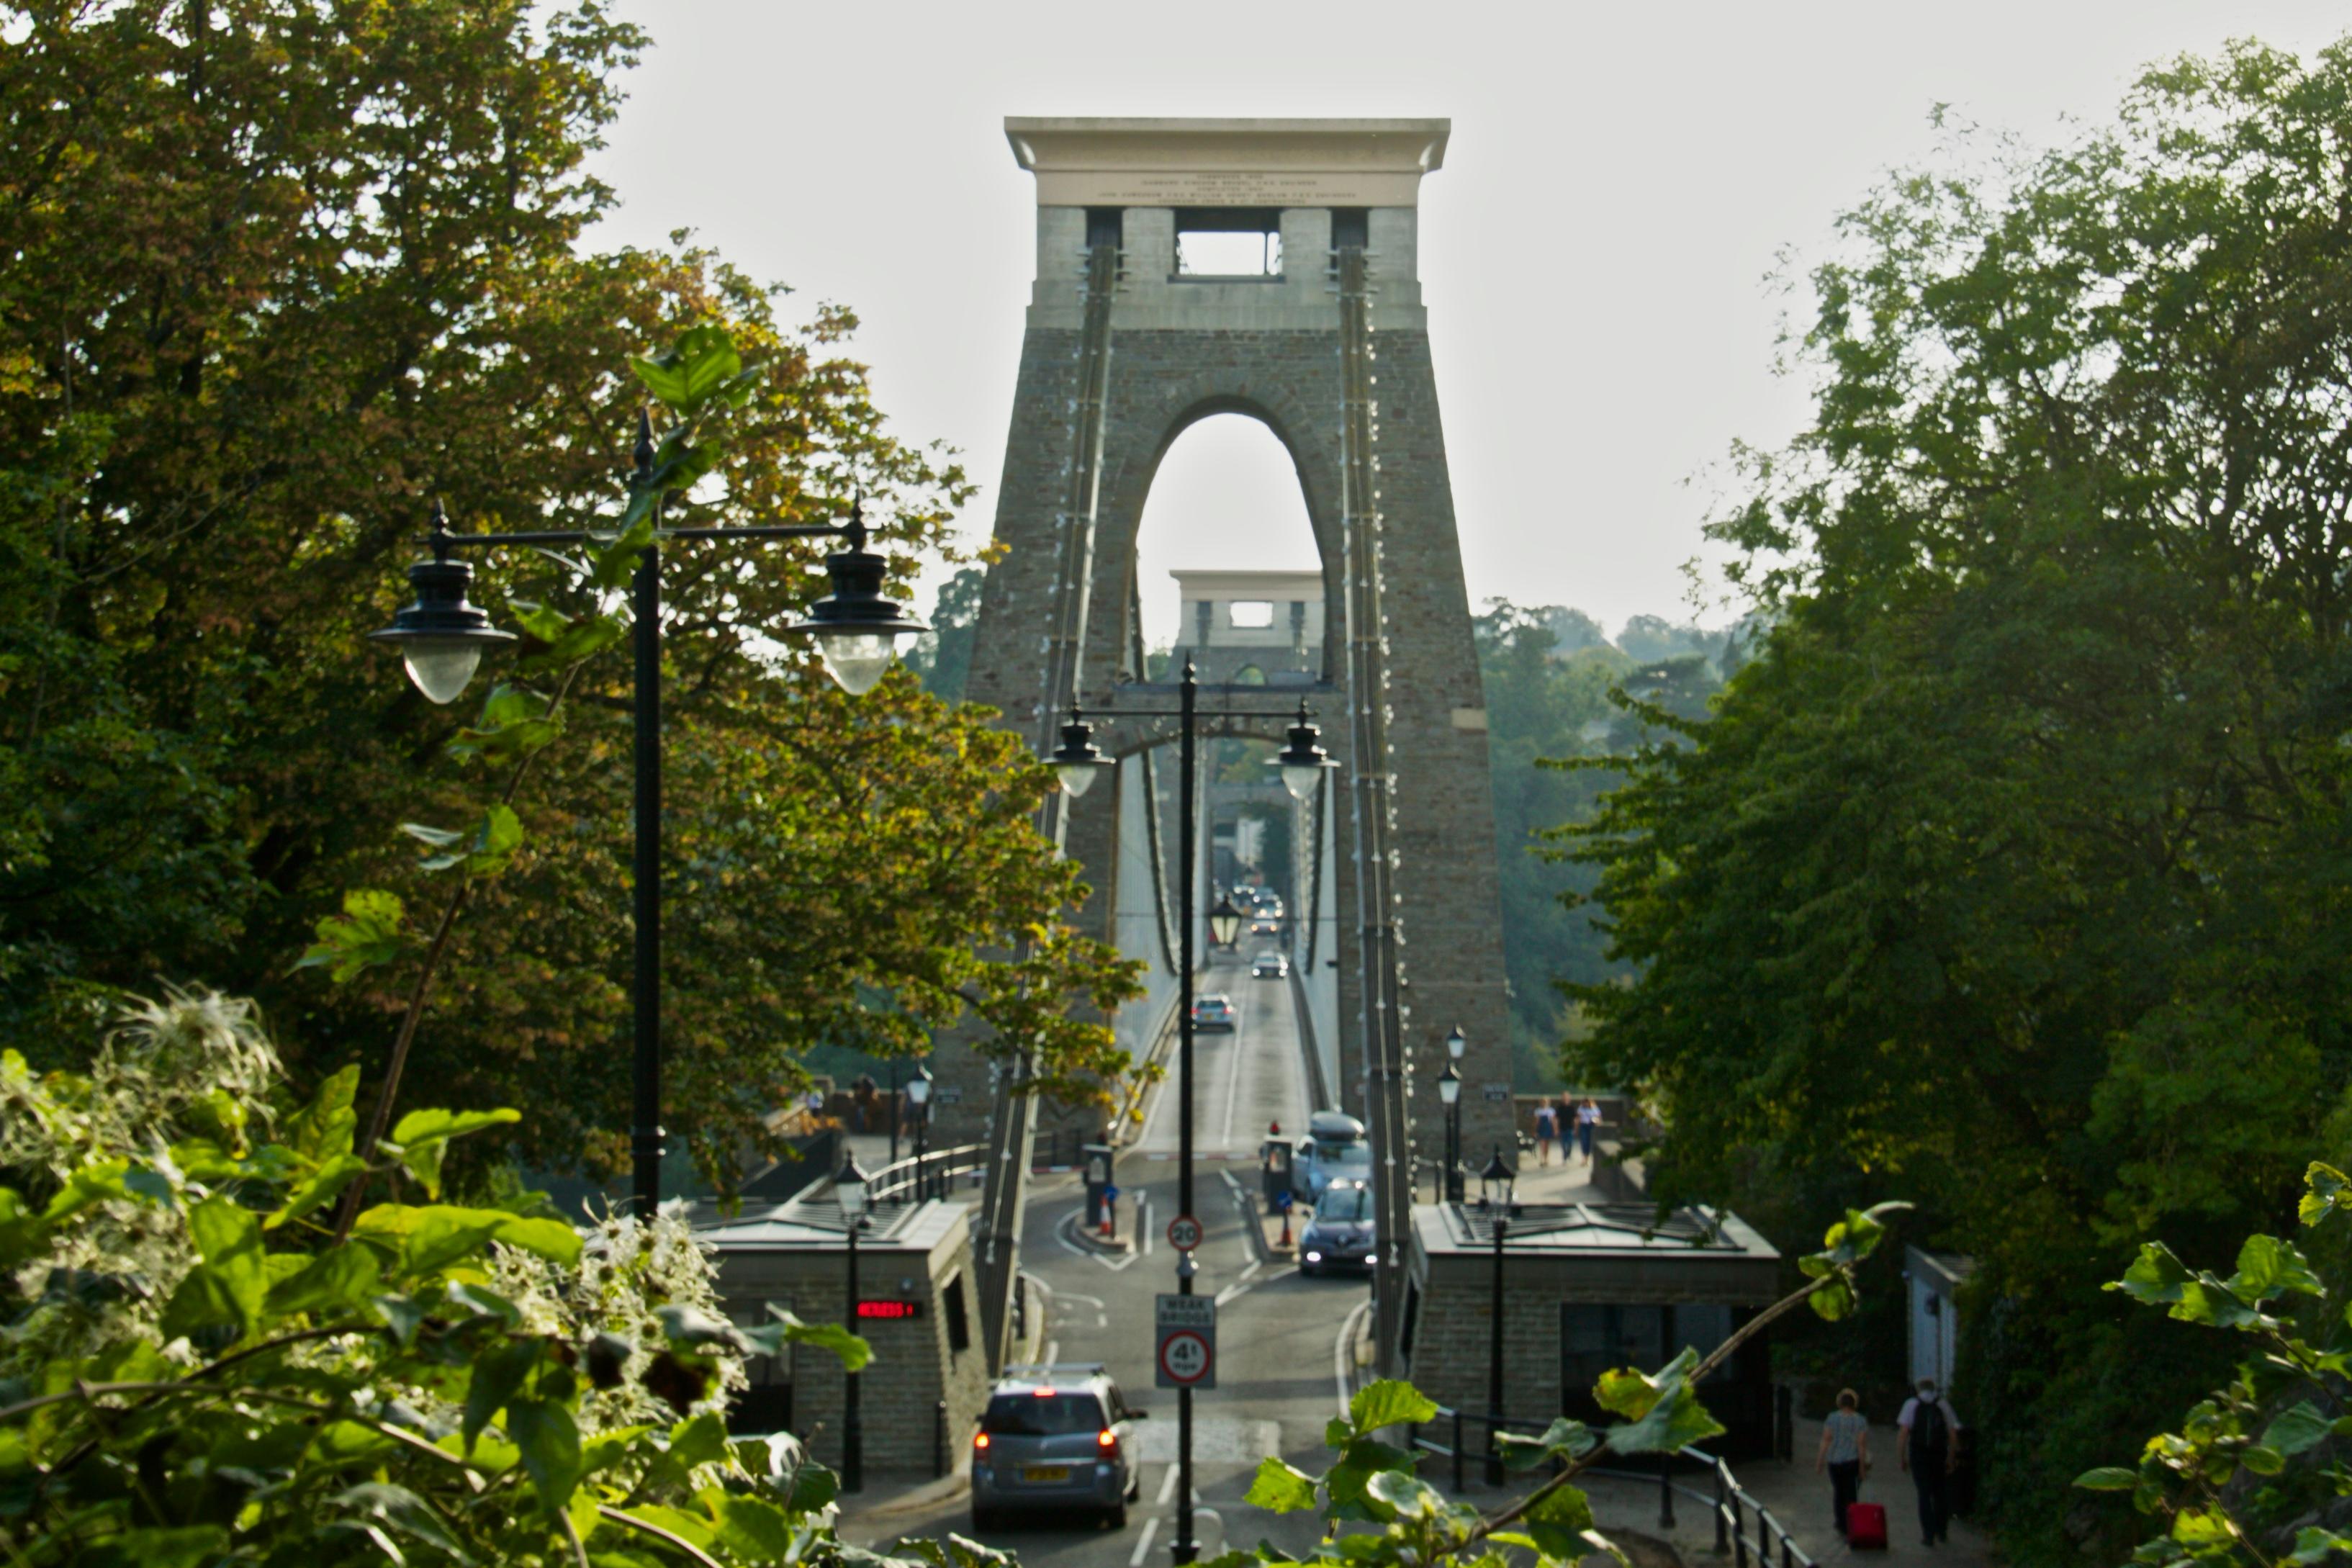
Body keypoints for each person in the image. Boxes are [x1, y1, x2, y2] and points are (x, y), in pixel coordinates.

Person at [1897, 1376, 1963, 1546]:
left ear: (1918, 1389)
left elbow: (1904, 1433)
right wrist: (1951, 1457)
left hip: (1919, 1454)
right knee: (1940, 1492)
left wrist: (1902, 1457)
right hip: (1938, 1453)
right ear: (1934, 1389)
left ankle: (1928, 1535)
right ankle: (1942, 1531)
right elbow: (1953, 1434)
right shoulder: (1943, 1405)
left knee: (1924, 1494)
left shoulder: (1911, 1404)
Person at [1814, 1389, 1870, 1537]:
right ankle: (1851, 1522)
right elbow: (1861, 1445)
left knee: (1838, 1492)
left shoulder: (1832, 1418)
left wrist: (1820, 1461)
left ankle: (1840, 1521)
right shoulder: (1860, 1420)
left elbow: (1826, 1440)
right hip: (1852, 1461)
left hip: (1834, 1460)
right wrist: (1862, 1468)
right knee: (1851, 1493)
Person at [1574, 1097, 1603, 1161]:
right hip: (1583, 1125)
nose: (1586, 1104)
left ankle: (1587, 1156)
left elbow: (1599, 1118)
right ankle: (1584, 1156)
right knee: (1584, 1141)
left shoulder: (1595, 1109)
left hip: (1591, 1125)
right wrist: (1576, 1129)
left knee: (1590, 1141)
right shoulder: (1581, 1109)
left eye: (1587, 1103)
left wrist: (1596, 1121)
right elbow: (1578, 1119)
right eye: (1585, 1103)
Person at [1533, 1101, 1557, 1166]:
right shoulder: (1538, 1111)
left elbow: (1553, 1121)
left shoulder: (1551, 1111)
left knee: (1547, 1145)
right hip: (1541, 1128)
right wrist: (1535, 1130)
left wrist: (1555, 1130)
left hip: (1548, 1128)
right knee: (1542, 1145)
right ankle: (1542, 1159)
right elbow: (1537, 1121)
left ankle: (1546, 1159)